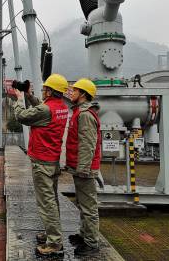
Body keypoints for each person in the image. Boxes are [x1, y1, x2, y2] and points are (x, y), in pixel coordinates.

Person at [13, 73, 69, 258]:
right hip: (52, 161)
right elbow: (42, 107)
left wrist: (20, 99)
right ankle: (51, 233)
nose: (43, 91)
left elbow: (21, 116)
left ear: (51, 91)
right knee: (52, 200)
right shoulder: (60, 107)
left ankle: (54, 243)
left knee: (46, 203)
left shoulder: (46, 110)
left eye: (45, 89)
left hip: (42, 163)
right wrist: (29, 95)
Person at [65, 78, 101, 256]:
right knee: (82, 204)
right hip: (79, 167)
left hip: (84, 169)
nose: (71, 92)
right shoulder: (80, 111)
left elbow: (87, 144)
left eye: (75, 90)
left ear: (83, 94)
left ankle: (92, 243)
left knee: (88, 207)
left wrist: (83, 169)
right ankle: (84, 235)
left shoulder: (85, 115)